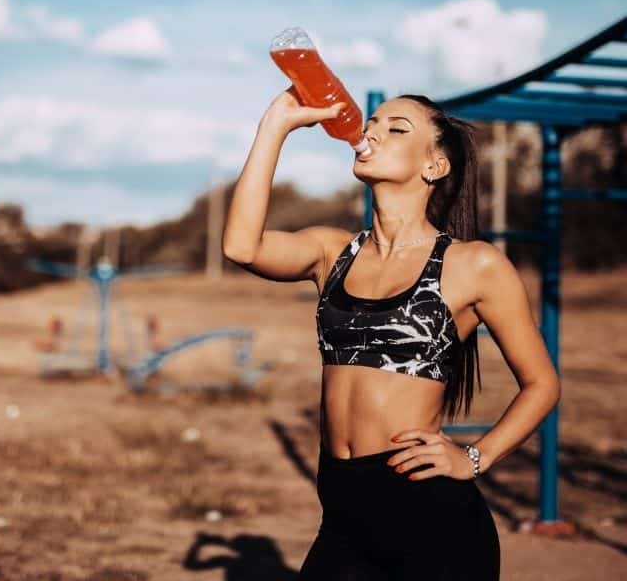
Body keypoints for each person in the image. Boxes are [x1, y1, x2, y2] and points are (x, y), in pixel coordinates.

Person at [222, 86, 561, 580]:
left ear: (434, 167)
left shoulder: (474, 265)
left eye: (396, 128)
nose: (372, 132)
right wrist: (276, 125)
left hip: (428, 516)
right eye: (373, 123)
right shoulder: (331, 251)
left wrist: (475, 457)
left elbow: (542, 384)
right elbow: (241, 247)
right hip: (341, 510)